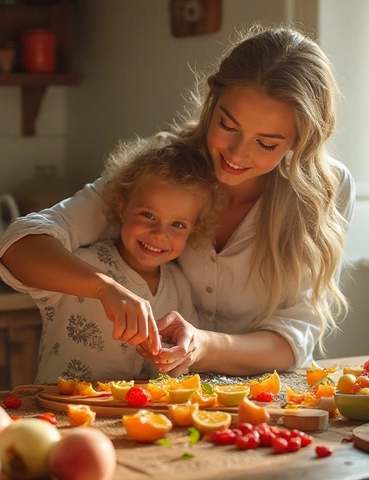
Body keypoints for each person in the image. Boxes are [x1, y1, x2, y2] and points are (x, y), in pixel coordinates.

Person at [0, 24, 355, 378]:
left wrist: (202, 345)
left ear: (300, 142)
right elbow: (21, 246)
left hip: (270, 397)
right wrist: (104, 288)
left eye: (266, 144)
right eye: (228, 125)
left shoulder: (325, 190)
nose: (236, 154)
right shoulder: (162, 167)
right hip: (173, 399)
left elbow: (294, 338)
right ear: (213, 101)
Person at [25, 136, 225, 383]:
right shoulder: (80, 263)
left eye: (177, 224)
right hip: (60, 413)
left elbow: (183, 363)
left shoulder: (181, 285)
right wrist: (102, 288)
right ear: (122, 208)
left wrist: (173, 359)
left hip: (139, 418)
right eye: (148, 215)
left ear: (193, 230)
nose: (160, 233)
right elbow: (21, 264)